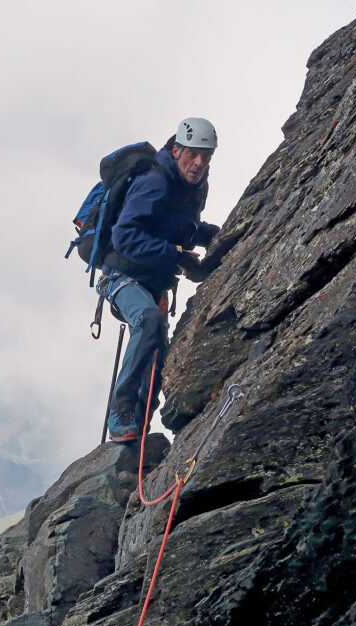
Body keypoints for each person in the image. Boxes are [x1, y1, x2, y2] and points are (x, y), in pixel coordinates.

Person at [97, 117, 221, 442]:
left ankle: (135, 434)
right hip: (121, 276)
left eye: (206, 156)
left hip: (153, 283)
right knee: (149, 321)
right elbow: (124, 236)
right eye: (193, 154)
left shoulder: (194, 188)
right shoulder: (154, 182)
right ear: (176, 149)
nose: (199, 163)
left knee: (157, 361)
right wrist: (176, 254)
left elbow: (179, 227)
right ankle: (120, 412)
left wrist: (213, 236)